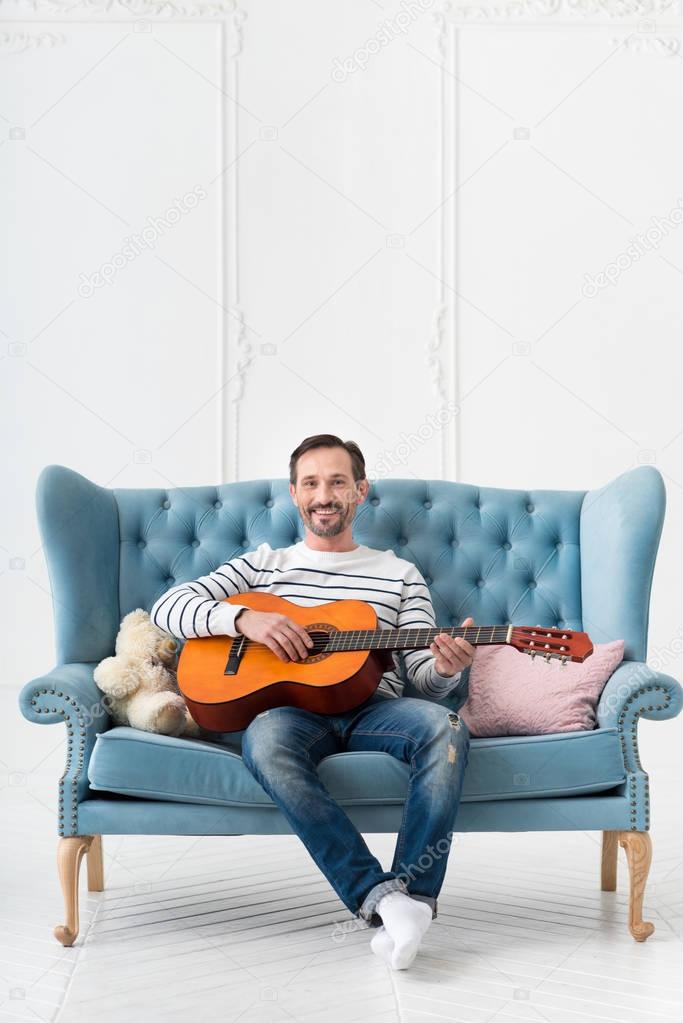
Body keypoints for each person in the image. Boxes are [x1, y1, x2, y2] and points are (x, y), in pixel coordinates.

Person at [151, 433, 474, 970]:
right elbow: (169, 607)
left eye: (337, 482)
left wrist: (444, 668)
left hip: (376, 709)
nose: (324, 494)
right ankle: (388, 900)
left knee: (447, 727)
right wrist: (245, 618)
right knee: (266, 740)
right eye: (311, 483)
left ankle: (412, 900)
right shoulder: (263, 564)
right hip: (290, 713)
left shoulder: (398, 576)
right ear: (295, 495)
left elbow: (420, 674)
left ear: (360, 491)